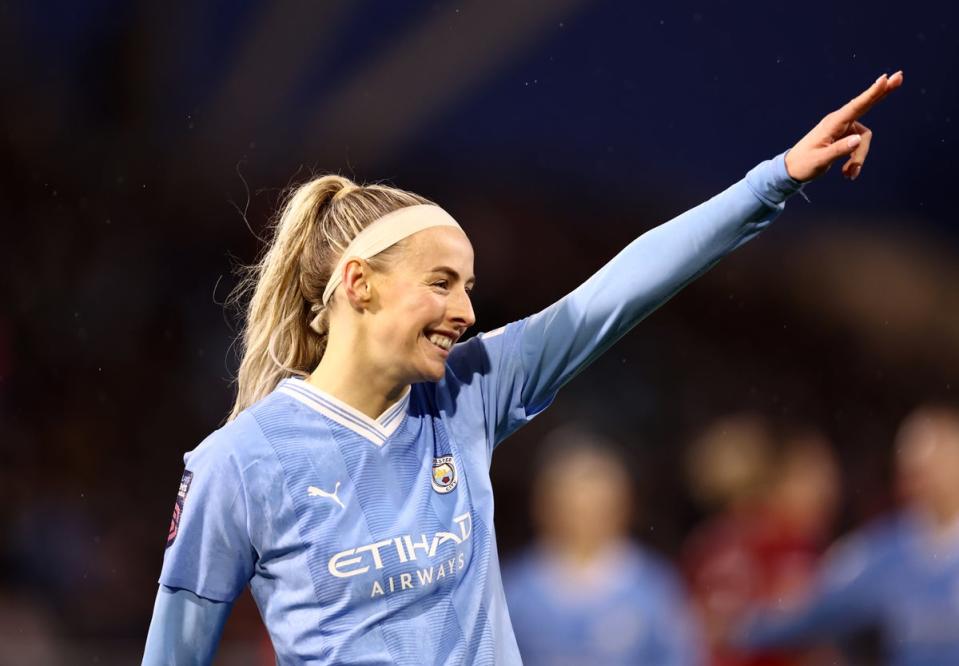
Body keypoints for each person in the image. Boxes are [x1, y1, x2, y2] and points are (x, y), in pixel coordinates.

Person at [142, 72, 903, 665]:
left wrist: (772, 179)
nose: (466, 310)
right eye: (441, 282)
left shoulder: (466, 393)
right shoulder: (239, 465)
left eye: (468, 286)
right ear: (357, 285)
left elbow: (617, 292)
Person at [733, 404, 959, 665]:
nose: (923, 475)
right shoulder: (878, 549)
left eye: (937, 459)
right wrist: (745, 626)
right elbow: (813, 612)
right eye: (913, 465)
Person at [503, 425, 704, 665]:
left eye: (600, 505)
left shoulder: (654, 587)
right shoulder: (513, 589)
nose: (586, 518)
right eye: (573, 505)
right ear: (544, 506)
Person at [683, 419, 842, 666]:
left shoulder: (708, 544)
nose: (828, 490)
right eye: (812, 478)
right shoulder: (782, 545)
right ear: (776, 483)